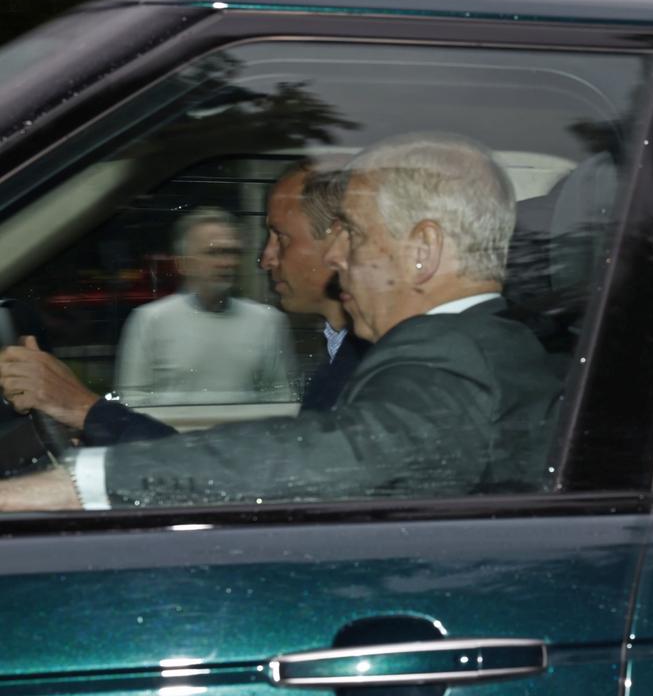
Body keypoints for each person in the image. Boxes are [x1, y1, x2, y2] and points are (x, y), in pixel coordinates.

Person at [0, 133, 563, 510]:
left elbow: (336, 456)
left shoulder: (454, 356)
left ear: (422, 252)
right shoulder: (477, 343)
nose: (336, 256)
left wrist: (67, 488)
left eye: (355, 235)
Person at [0, 159, 371, 446]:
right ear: (184, 263)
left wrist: (83, 408)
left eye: (281, 237)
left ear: (337, 243)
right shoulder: (343, 355)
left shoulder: (370, 368)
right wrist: (92, 419)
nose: (264, 259)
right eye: (213, 253)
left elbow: (264, 477)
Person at [113, 207, 295, 406]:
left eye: (232, 252)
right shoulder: (150, 320)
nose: (227, 262)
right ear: (183, 264)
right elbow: (132, 403)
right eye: (213, 252)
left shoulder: (268, 321)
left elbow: (282, 399)